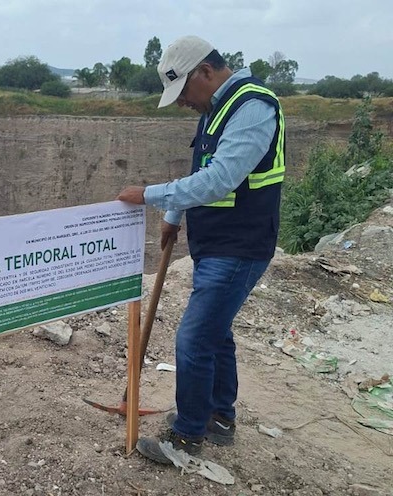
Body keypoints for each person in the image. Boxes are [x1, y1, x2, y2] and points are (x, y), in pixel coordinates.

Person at [117, 35, 285, 464]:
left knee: (193, 339)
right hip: (215, 243)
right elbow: (201, 167)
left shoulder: (253, 107)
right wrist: (173, 216)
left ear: (205, 72)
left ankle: (187, 436)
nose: (181, 103)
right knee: (215, 333)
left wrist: (150, 195)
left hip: (240, 245)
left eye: (182, 92)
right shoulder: (216, 107)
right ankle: (220, 417)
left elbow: (220, 179)